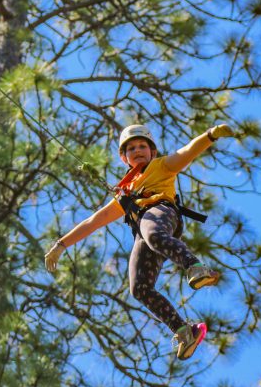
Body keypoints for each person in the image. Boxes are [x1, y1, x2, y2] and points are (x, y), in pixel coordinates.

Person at [44, 123, 234, 359]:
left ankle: (195, 267)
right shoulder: (125, 192)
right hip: (145, 232)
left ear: (152, 151)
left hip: (162, 213)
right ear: (124, 158)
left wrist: (210, 135)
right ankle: (185, 332)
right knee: (139, 288)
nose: (137, 150)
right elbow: (94, 220)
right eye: (131, 148)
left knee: (152, 233)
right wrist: (61, 244)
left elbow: (187, 152)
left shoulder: (161, 166)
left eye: (142, 146)